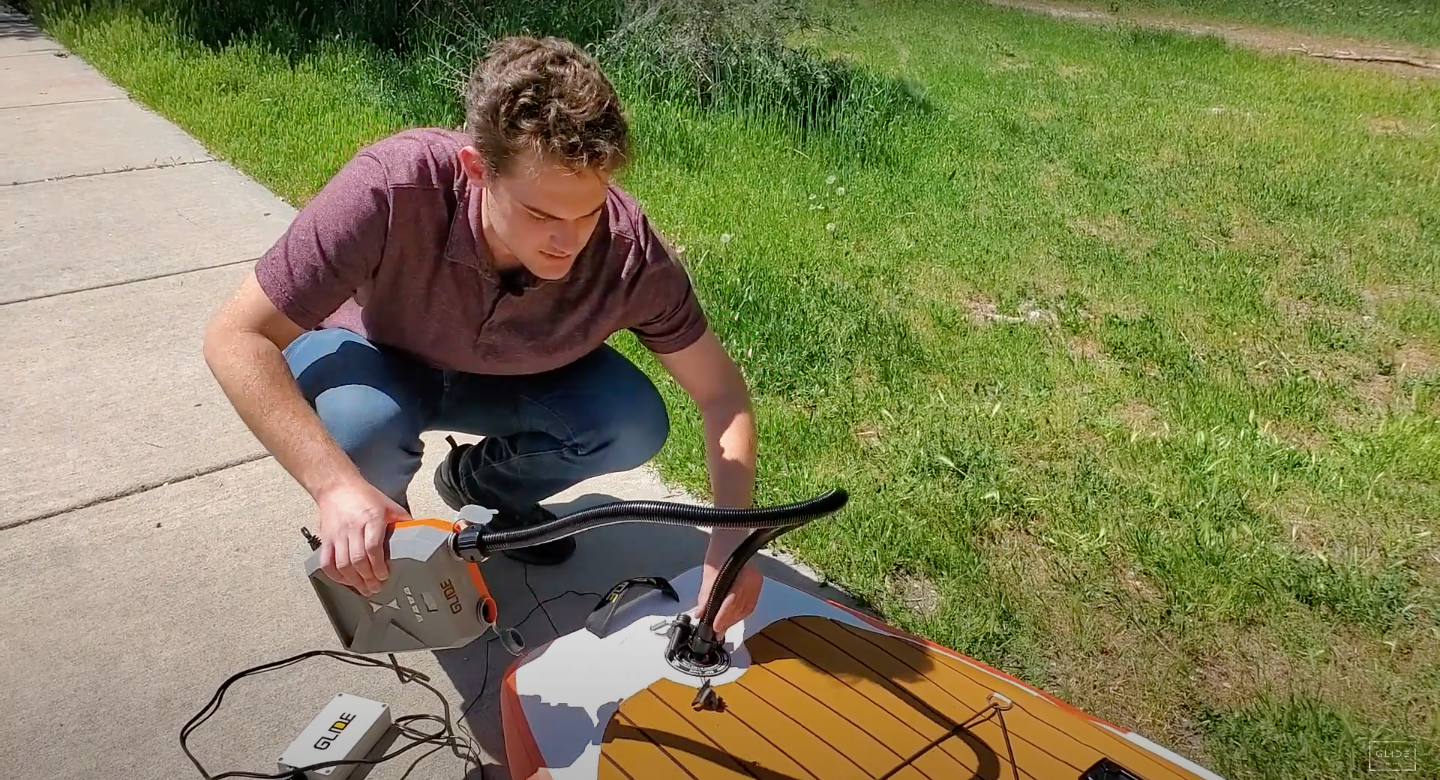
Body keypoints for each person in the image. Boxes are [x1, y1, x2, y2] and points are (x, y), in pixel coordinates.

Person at [201, 35, 761, 636]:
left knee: (632, 420)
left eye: (588, 212)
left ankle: (484, 487)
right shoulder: (391, 187)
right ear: (476, 170)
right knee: (362, 433)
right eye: (541, 214)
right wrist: (335, 486)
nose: (566, 241)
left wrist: (733, 540)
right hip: (375, 356)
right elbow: (235, 336)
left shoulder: (629, 255)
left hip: (513, 377)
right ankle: (389, 547)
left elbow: (722, 397)